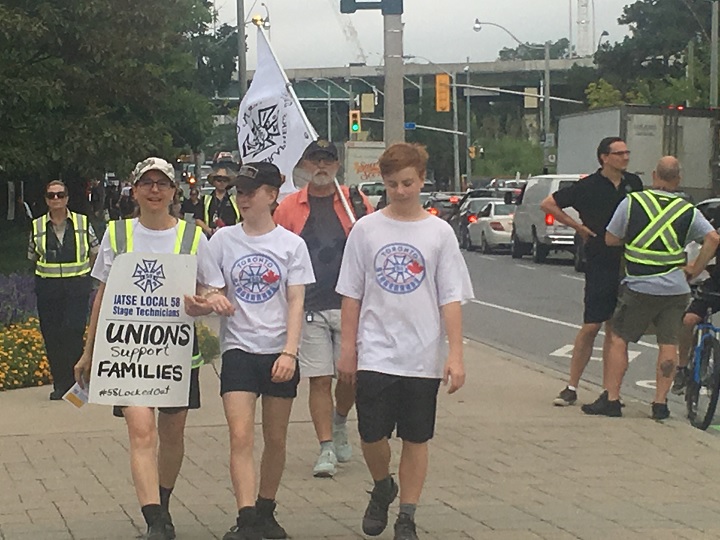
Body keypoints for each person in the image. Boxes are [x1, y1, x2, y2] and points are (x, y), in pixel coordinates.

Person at [74, 157, 220, 540]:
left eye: (162, 184)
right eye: (147, 183)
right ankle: (154, 519)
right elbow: (102, 295)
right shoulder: (116, 234)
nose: (154, 190)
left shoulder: (192, 237)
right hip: (128, 354)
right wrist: (90, 351)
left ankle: (164, 503)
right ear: (134, 190)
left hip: (176, 355)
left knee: (172, 435)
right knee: (141, 432)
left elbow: (211, 288)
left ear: (174, 191)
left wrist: (204, 303)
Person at [336, 143, 473, 540]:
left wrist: (456, 355)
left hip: (422, 353)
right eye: (393, 183)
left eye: (408, 183)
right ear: (383, 182)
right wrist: (348, 349)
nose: (401, 190)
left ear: (422, 180)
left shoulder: (439, 233)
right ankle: (382, 485)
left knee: (416, 437)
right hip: (375, 350)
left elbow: (450, 297)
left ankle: (407, 515)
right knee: (371, 433)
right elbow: (351, 294)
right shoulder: (366, 230)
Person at [185, 162, 315, 540]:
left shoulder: (292, 245)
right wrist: (208, 302)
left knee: (276, 439)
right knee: (240, 435)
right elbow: (210, 290)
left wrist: (289, 352)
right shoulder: (223, 241)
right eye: (239, 191)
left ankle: (266, 509)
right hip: (239, 348)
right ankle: (245, 518)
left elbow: (296, 301)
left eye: (251, 191)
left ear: (272, 195)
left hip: (278, 350)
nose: (243, 198)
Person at [273, 140, 373, 478]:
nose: (321, 166)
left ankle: (340, 419)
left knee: (351, 377)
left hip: (350, 305)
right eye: (315, 159)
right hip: (310, 306)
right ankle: (325, 446)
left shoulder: (355, 203)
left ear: (337, 165)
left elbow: (372, 247)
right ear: (305, 164)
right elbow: (277, 253)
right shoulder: (288, 207)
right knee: (319, 379)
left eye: (327, 160)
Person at [597, 156, 720, 419]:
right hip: (675, 289)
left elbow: (610, 238)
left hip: (639, 285)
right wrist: (695, 269)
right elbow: (712, 238)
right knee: (668, 343)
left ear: (654, 176)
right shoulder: (686, 210)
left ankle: (613, 399)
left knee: (619, 337)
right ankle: (660, 404)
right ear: (678, 179)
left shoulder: (633, 202)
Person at [540, 137, 643, 407]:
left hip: (628, 261)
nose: (625, 157)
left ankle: (610, 393)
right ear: (604, 157)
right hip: (599, 260)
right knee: (592, 325)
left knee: (616, 329)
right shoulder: (587, 186)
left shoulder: (634, 184)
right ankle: (571, 386)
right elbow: (548, 204)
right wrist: (578, 227)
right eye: (619, 153)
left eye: (626, 152)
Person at [28, 180, 99, 400]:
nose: (56, 199)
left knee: (74, 332)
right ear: (46, 200)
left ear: (67, 198)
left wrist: (88, 275)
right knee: (52, 335)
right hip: (48, 288)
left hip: (76, 286)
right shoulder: (37, 225)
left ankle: (77, 387)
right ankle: (61, 385)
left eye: (60, 195)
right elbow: (32, 256)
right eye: (51, 196)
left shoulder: (82, 222)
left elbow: (95, 251)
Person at [195, 166, 240, 236]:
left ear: (228, 182)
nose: (222, 183)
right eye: (219, 180)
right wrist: (209, 230)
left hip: (231, 238)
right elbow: (198, 219)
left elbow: (244, 220)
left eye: (225, 180)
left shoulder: (235, 200)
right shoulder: (205, 199)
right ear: (214, 182)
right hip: (211, 238)